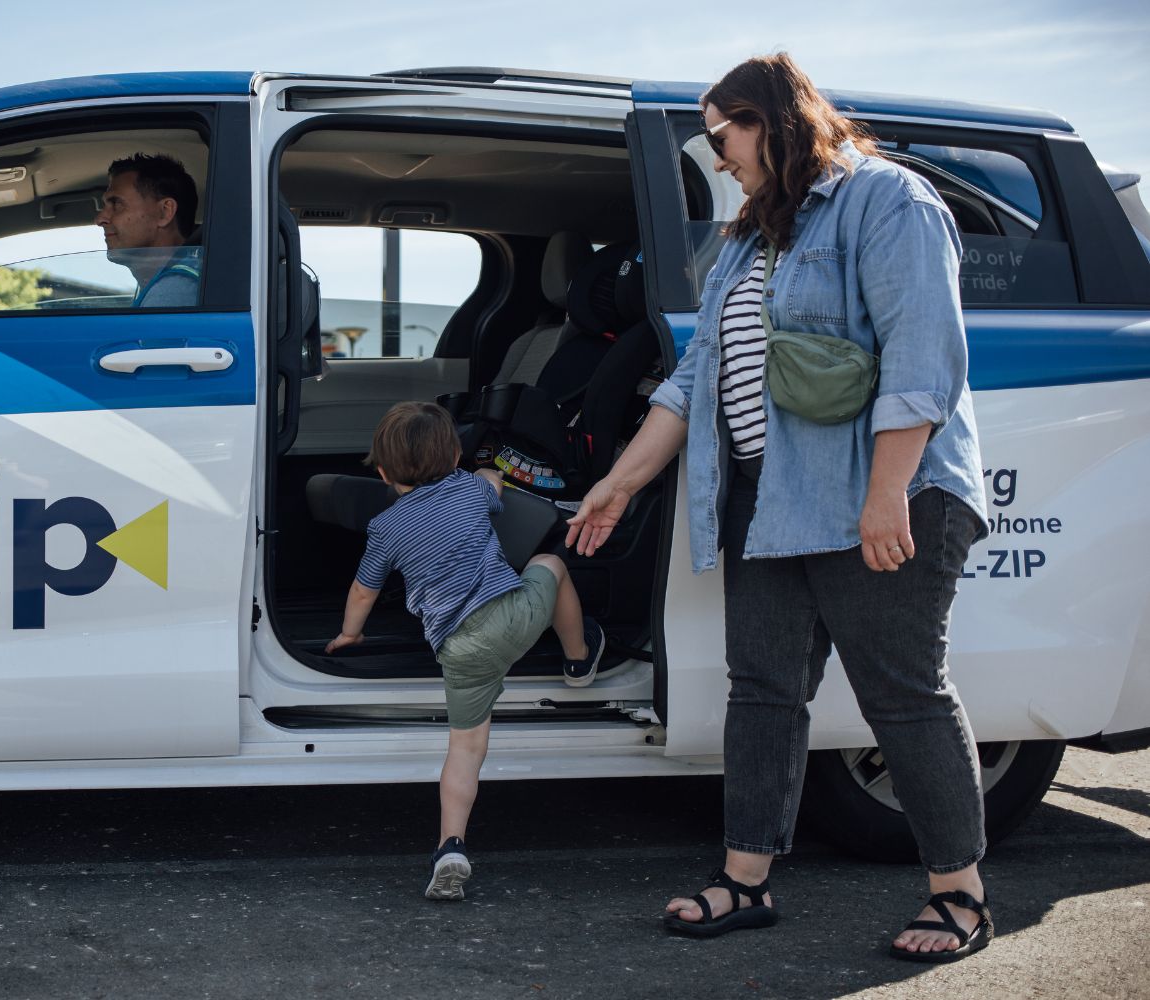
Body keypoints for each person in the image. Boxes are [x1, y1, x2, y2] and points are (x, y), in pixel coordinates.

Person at [566, 53, 993, 962]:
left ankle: (960, 896)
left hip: (880, 490)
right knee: (762, 693)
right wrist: (622, 480)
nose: (717, 158)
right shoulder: (753, 238)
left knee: (903, 696)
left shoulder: (889, 203)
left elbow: (924, 362)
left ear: (774, 120)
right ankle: (744, 880)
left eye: (723, 135)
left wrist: (886, 497)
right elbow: (696, 379)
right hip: (766, 499)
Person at [327, 400, 605, 900]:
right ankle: (578, 657)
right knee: (550, 562)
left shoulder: (385, 528)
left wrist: (350, 635)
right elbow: (496, 487)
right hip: (515, 617)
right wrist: (485, 471)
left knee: (466, 750)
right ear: (454, 455)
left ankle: (450, 846)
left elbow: (363, 591)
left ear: (385, 472)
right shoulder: (472, 490)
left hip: (459, 649)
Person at [95, 153, 201, 307]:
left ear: (164, 212)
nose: (99, 219)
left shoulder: (173, 292)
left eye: (117, 204)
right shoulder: (163, 285)